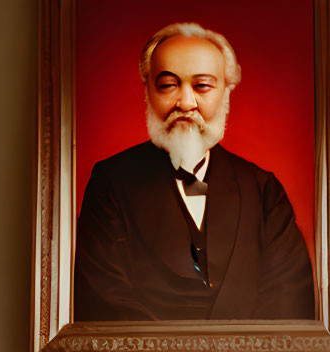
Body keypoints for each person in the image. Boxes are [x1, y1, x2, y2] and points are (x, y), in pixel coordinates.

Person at [73, 22, 315, 322]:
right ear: (148, 91)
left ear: (226, 93)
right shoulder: (110, 181)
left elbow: (289, 300)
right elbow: (103, 299)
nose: (185, 103)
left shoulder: (264, 190)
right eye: (168, 85)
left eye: (201, 86)